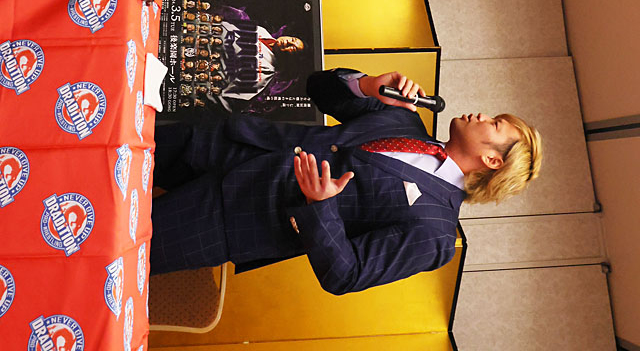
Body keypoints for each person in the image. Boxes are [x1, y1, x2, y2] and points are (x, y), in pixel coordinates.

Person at [151, 67, 542, 292]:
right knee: (116, 145)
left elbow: (346, 273)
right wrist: (367, 84)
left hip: (234, 218)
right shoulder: (405, 118)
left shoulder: (435, 232)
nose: (481, 116)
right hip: (222, 145)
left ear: (493, 160)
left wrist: (320, 205)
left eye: (494, 124)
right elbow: (318, 87)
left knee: (118, 231)